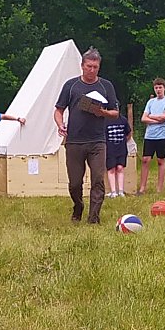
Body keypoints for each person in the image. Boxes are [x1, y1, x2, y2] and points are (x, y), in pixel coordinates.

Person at [54, 48, 119, 223]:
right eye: (89, 66)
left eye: (95, 67)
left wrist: (102, 112)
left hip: (97, 141)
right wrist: (60, 125)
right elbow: (58, 110)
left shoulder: (106, 86)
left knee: (98, 179)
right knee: (75, 183)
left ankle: (93, 218)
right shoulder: (71, 85)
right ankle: (78, 206)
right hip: (74, 141)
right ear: (82, 66)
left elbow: (115, 113)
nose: (92, 70)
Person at [137, 78, 165, 198]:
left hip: (162, 135)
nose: (158, 90)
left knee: (160, 160)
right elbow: (143, 118)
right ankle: (142, 187)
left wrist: (151, 117)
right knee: (145, 159)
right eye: (156, 87)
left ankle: (159, 188)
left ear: (164, 88)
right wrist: (157, 119)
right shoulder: (150, 102)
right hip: (149, 135)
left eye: (160, 87)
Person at [104, 105, 131, 197]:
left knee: (120, 167)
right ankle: (113, 191)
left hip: (121, 148)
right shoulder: (105, 121)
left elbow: (128, 133)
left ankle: (121, 191)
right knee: (111, 169)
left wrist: (124, 142)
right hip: (110, 149)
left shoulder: (123, 120)